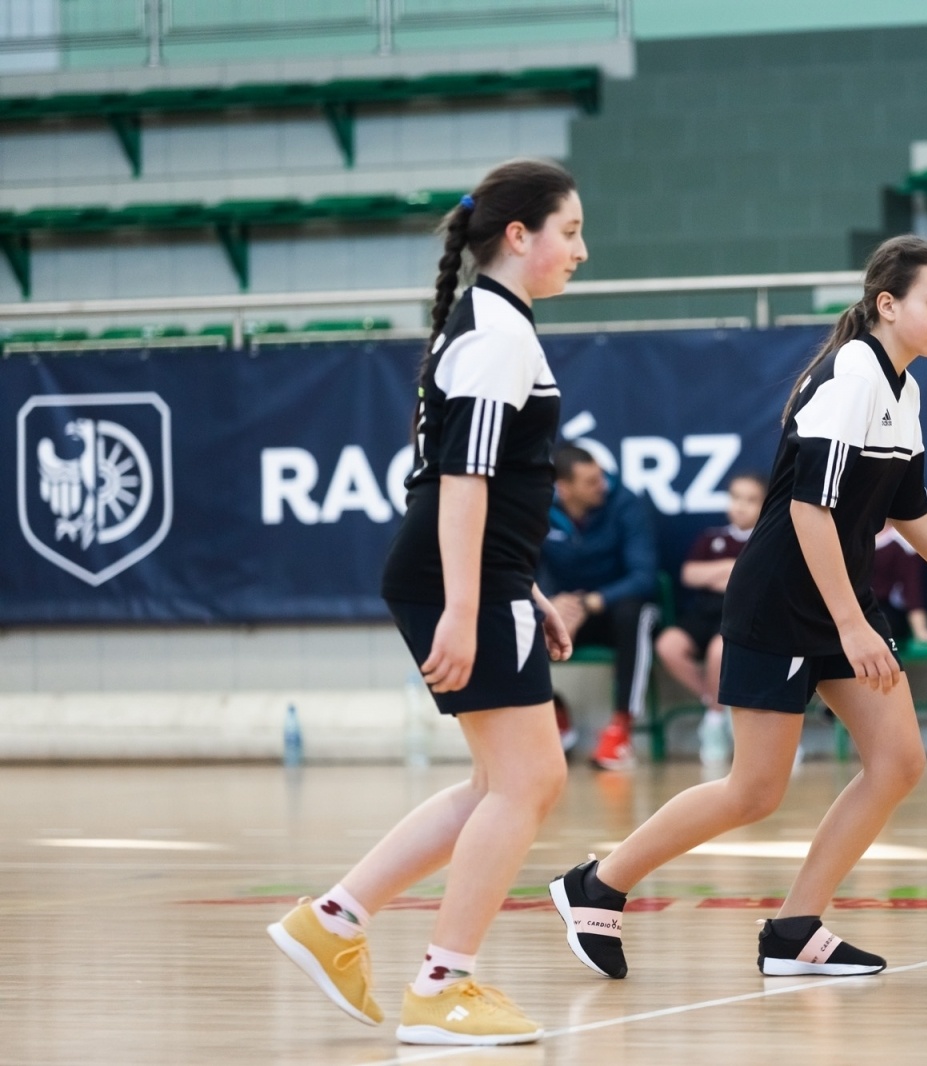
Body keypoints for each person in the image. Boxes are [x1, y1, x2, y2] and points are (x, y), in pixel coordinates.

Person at [548, 234, 927, 980]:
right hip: (784, 601)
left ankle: (794, 929)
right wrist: (851, 625)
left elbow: (914, 515)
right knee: (753, 791)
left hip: (839, 600)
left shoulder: (903, 390)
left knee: (897, 762)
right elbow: (812, 514)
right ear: (888, 305)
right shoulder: (849, 375)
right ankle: (598, 884)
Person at [268, 159, 584, 1046]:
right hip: (460, 574)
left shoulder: (488, 325)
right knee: (531, 779)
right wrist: (466, 601)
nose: (580, 251)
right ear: (519, 236)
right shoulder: (496, 334)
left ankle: (334, 921)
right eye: (570, 231)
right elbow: (465, 479)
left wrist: (523, 587)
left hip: (477, 573)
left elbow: (485, 484)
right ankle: (445, 985)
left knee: (500, 781)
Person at [540, 445, 659, 771]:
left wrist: (588, 602)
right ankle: (550, 710)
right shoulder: (539, 509)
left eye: (601, 477)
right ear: (564, 488)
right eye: (591, 482)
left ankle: (621, 727)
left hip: (612, 609)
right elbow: (525, 568)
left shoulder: (625, 503)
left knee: (634, 613)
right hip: (564, 611)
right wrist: (552, 604)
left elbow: (644, 575)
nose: (601, 485)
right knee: (519, 616)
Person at [654, 472, 767, 763]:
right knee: (668, 645)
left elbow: (756, 581)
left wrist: (719, 575)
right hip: (703, 613)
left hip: (741, 615)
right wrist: (730, 567)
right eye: (736, 498)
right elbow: (690, 575)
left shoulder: (765, 541)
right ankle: (715, 702)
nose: (741, 506)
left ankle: (714, 721)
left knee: (720, 651)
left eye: (751, 500)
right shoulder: (711, 538)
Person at [872, 521, 927, 647]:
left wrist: (920, 631)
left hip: (885, 612)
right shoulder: (847, 536)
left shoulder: (902, 542)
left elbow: (912, 588)